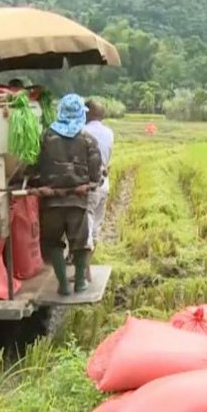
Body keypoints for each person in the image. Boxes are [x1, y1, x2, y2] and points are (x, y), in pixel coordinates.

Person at [33, 94, 103, 296]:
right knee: (79, 243)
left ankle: (63, 285)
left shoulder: (46, 136)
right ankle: (80, 282)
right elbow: (95, 173)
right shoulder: (88, 139)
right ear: (81, 114)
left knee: (53, 242)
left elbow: (35, 167)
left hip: (51, 201)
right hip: (77, 201)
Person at [81, 99, 115, 280]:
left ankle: (84, 271)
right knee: (95, 227)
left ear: (87, 113)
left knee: (85, 225)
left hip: (91, 184)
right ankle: (88, 268)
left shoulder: (83, 132)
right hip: (105, 183)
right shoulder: (109, 132)